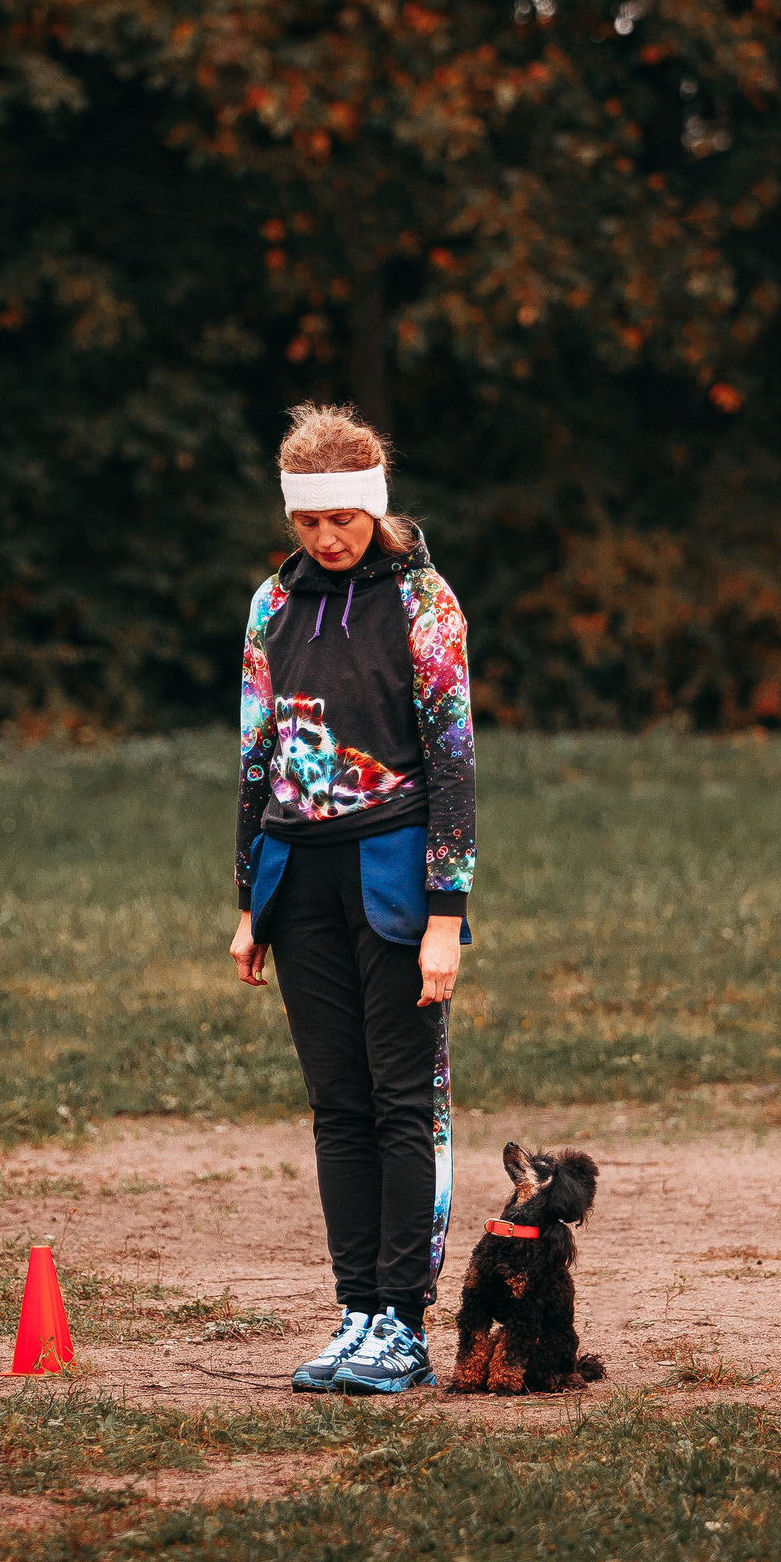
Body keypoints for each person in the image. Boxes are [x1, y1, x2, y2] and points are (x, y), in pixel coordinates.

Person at [228, 403, 475, 1395]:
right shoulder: (270, 607)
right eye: (308, 523)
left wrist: (446, 915)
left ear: (373, 506)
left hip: (393, 875)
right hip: (298, 877)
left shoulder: (423, 603)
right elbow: (256, 755)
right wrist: (249, 901)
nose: (326, 539)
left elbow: (454, 763)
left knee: (399, 1104)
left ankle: (405, 1323)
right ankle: (355, 1313)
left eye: (343, 520)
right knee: (336, 1105)